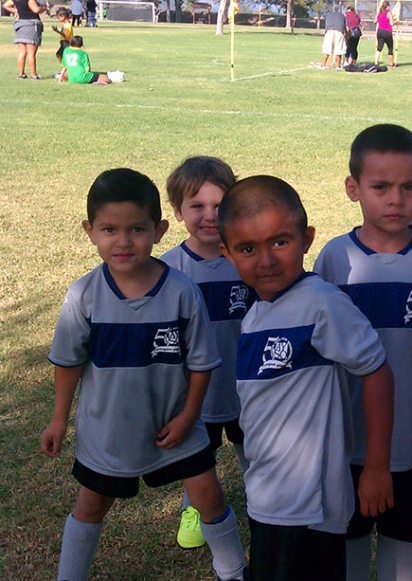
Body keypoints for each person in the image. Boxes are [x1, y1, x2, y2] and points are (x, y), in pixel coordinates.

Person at [42, 168, 247, 581]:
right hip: (109, 429)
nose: (123, 241)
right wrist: (59, 418)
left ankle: (233, 572)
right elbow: (67, 362)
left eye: (137, 229)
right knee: (92, 505)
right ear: (90, 231)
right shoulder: (84, 294)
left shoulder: (181, 290)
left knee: (208, 496)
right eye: (110, 229)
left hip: (177, 425)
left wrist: (190, 417)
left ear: (159, 230)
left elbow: (202, 363)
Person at [219, 175, 395, 579]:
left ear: (307, 238)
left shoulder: (322, 304)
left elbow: (377, 373)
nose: (265, 260)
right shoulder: (254, 315)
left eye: (280, 241)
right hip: (268, 495)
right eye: (248, 248)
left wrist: (375, 466)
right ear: (227, 254)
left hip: (307, 505)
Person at [314, 124, 412, 580]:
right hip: (347, 437)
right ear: (353, 188)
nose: (395, 199)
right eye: (380, 187)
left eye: (408, 187)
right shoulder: (334, 259)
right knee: (350, 539)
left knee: (404, 543)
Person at [159, 156, 255, 551]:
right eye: (197, 206)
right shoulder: (168, 270)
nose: (209, 215)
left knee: (253, 450)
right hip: (195, 395)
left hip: (247, 385)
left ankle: (264, 501)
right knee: (197, 458)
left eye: (219, 205)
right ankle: (193, 507)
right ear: (178, 212)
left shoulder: (249, 259)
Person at [4, 0, 47, 80]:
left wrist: (18, 11)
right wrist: (43, 8)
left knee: (21, 52)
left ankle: (21, 74)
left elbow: (6, 5)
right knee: (31, 53)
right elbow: (35, 9)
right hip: (31, 25)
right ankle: (34, 75)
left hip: (20, 24)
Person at [373, 0, 396, 68]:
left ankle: (376, 62)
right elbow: (391, 23)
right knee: (390, 48)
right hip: (387, 32)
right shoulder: (389, 13)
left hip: (380, 31)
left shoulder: (380, 13)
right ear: (387, 6)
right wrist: (396, 21)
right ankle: (391, 63)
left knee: (379, 48)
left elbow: (375, 21)